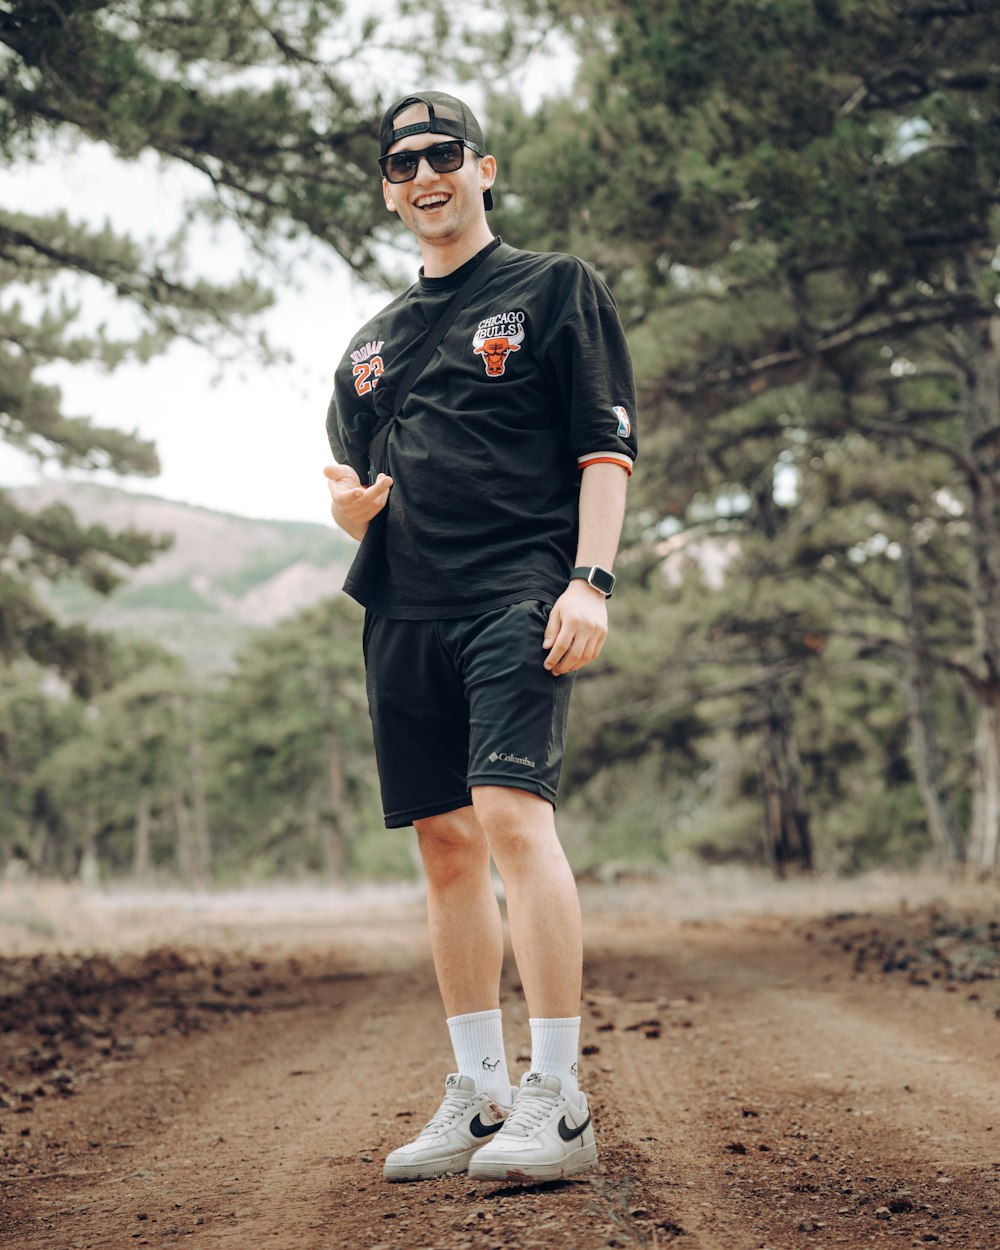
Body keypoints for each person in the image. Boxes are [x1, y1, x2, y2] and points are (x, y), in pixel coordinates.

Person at [324, 90, 637, 1184]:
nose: (424, 174)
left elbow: (603, 451)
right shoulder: (368, 345)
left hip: (518, 586)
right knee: (445, 844)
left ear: (483, 167)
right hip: (403, 605)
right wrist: (347, 515)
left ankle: (559, 1096)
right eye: (402, 161)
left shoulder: (555, 289)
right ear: (387, 187)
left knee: (510, 812)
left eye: (442, 154)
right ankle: (481, 1090)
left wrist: (589, 580)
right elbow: (357, 482)